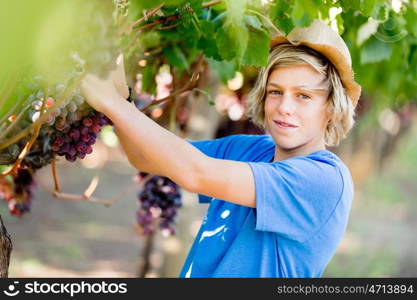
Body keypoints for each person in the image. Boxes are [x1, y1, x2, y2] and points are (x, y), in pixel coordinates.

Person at [81, 19, 362, 278]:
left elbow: (195, 173)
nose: (284, 107)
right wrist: (121, 96)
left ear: (331, 108)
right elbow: (144, 157)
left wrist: (111, 103)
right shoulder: (249, 151)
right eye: (276, 92)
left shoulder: (325, 180)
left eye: (303, 96)